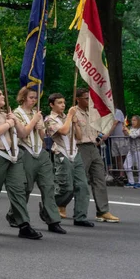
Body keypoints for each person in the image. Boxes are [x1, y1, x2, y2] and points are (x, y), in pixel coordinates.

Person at [0, 87, 42, 239]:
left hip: (13, 155)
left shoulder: (7, 114)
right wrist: (8, 124)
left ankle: (24, 225)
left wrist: (15, 121)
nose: (3, 96)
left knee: (19, 189)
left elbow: (24, 134)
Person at [5, 87, 66, 234]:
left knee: (48, 186)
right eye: (31, 97)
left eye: (35, 97)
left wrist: (40, 128)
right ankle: (14, 215)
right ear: (23, 97)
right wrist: (34, 121)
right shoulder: (15, 113)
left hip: (40, 152)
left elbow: (43, 136)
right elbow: (23, 133)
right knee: (26, 188)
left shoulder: (35, 113)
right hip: (25, 151)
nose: (34, 100)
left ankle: (53, 220)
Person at [45, 93, 94, 227]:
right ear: (52, 105)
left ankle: (80, 216)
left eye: (64, 102)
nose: (63, 105)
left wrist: (76, 123)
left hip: (75, 152)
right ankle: (49, 205)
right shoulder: (49, 119)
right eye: (59, 103)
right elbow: (64, 131)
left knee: (82, 186)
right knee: (66, 187)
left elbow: (78, 136)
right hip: (61, 153)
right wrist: (71, 117)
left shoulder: (68, 117)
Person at [74, 88, 120, 223]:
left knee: (99, 178)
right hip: (80, 148)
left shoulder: (93, 113)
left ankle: (103, 211)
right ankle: (59, 203)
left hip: (93, 147)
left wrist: (99, 139)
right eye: (86, 98)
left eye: (90, 98)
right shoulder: (73, 112)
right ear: (78, 99)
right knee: (77, 181)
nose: (89, 101)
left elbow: (100, 129)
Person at [104, 108, 128, 181]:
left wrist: (108, 133)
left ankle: (124, 173)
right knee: (117, 157)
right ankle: (121, 173)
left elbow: (115, 123)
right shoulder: (107, 113)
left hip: (120, 137)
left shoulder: (118, 111)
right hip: (114, 138)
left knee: (123, 155)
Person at [124, 115, 140, 188]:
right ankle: (131, 182)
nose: (132, 122)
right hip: (131, 149)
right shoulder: (131, 128)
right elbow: (128, 137)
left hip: (139, 149)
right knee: (126, 165)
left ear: (138, 121)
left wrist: (127, 131)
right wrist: (125, 132)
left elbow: (134, 136)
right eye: (132, 120)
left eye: (134, 120)